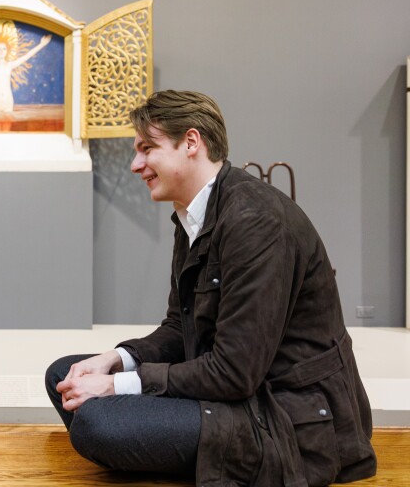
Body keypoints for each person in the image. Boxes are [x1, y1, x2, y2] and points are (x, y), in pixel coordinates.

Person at [45, 90, 376, 486]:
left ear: (190, 143)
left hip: (284, 416)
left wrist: (117, 385)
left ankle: (188, 451)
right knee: (64, 374)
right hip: (237, 392)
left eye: (147, 149)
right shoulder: (194, 216)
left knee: (98, 422)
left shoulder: (257, 222)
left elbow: (235, 373)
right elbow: (177, 329)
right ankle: (180, 449)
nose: (135, 165)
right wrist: (116, 360)